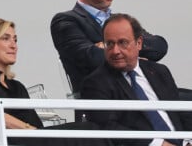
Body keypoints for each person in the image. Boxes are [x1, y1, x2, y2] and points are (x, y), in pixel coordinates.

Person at [0, 18, 111, 146]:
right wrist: (31, 131)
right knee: (87, 131)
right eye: (5, 38)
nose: (14, 45)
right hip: (0, 142)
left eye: (15, 40)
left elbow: (37, 128)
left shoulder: (17, 87)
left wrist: (35, 132)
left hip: (26, 140)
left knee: (92, 130)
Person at [51, 0, 168, 95]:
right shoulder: (66, 21)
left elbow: (159, 46)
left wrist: (107, 46)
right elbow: (91, 57)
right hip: (104, 100)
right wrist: (132, 50)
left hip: (143, 92)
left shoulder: (119, 22)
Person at [81, 13, 192, 146]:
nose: (115, 51)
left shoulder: (159, 72)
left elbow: (179, 114)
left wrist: (187, 141)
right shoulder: (95, 83)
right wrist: (159, 144)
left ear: (138, 43)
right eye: (109, 44)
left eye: (123, 43)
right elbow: (108, 129)